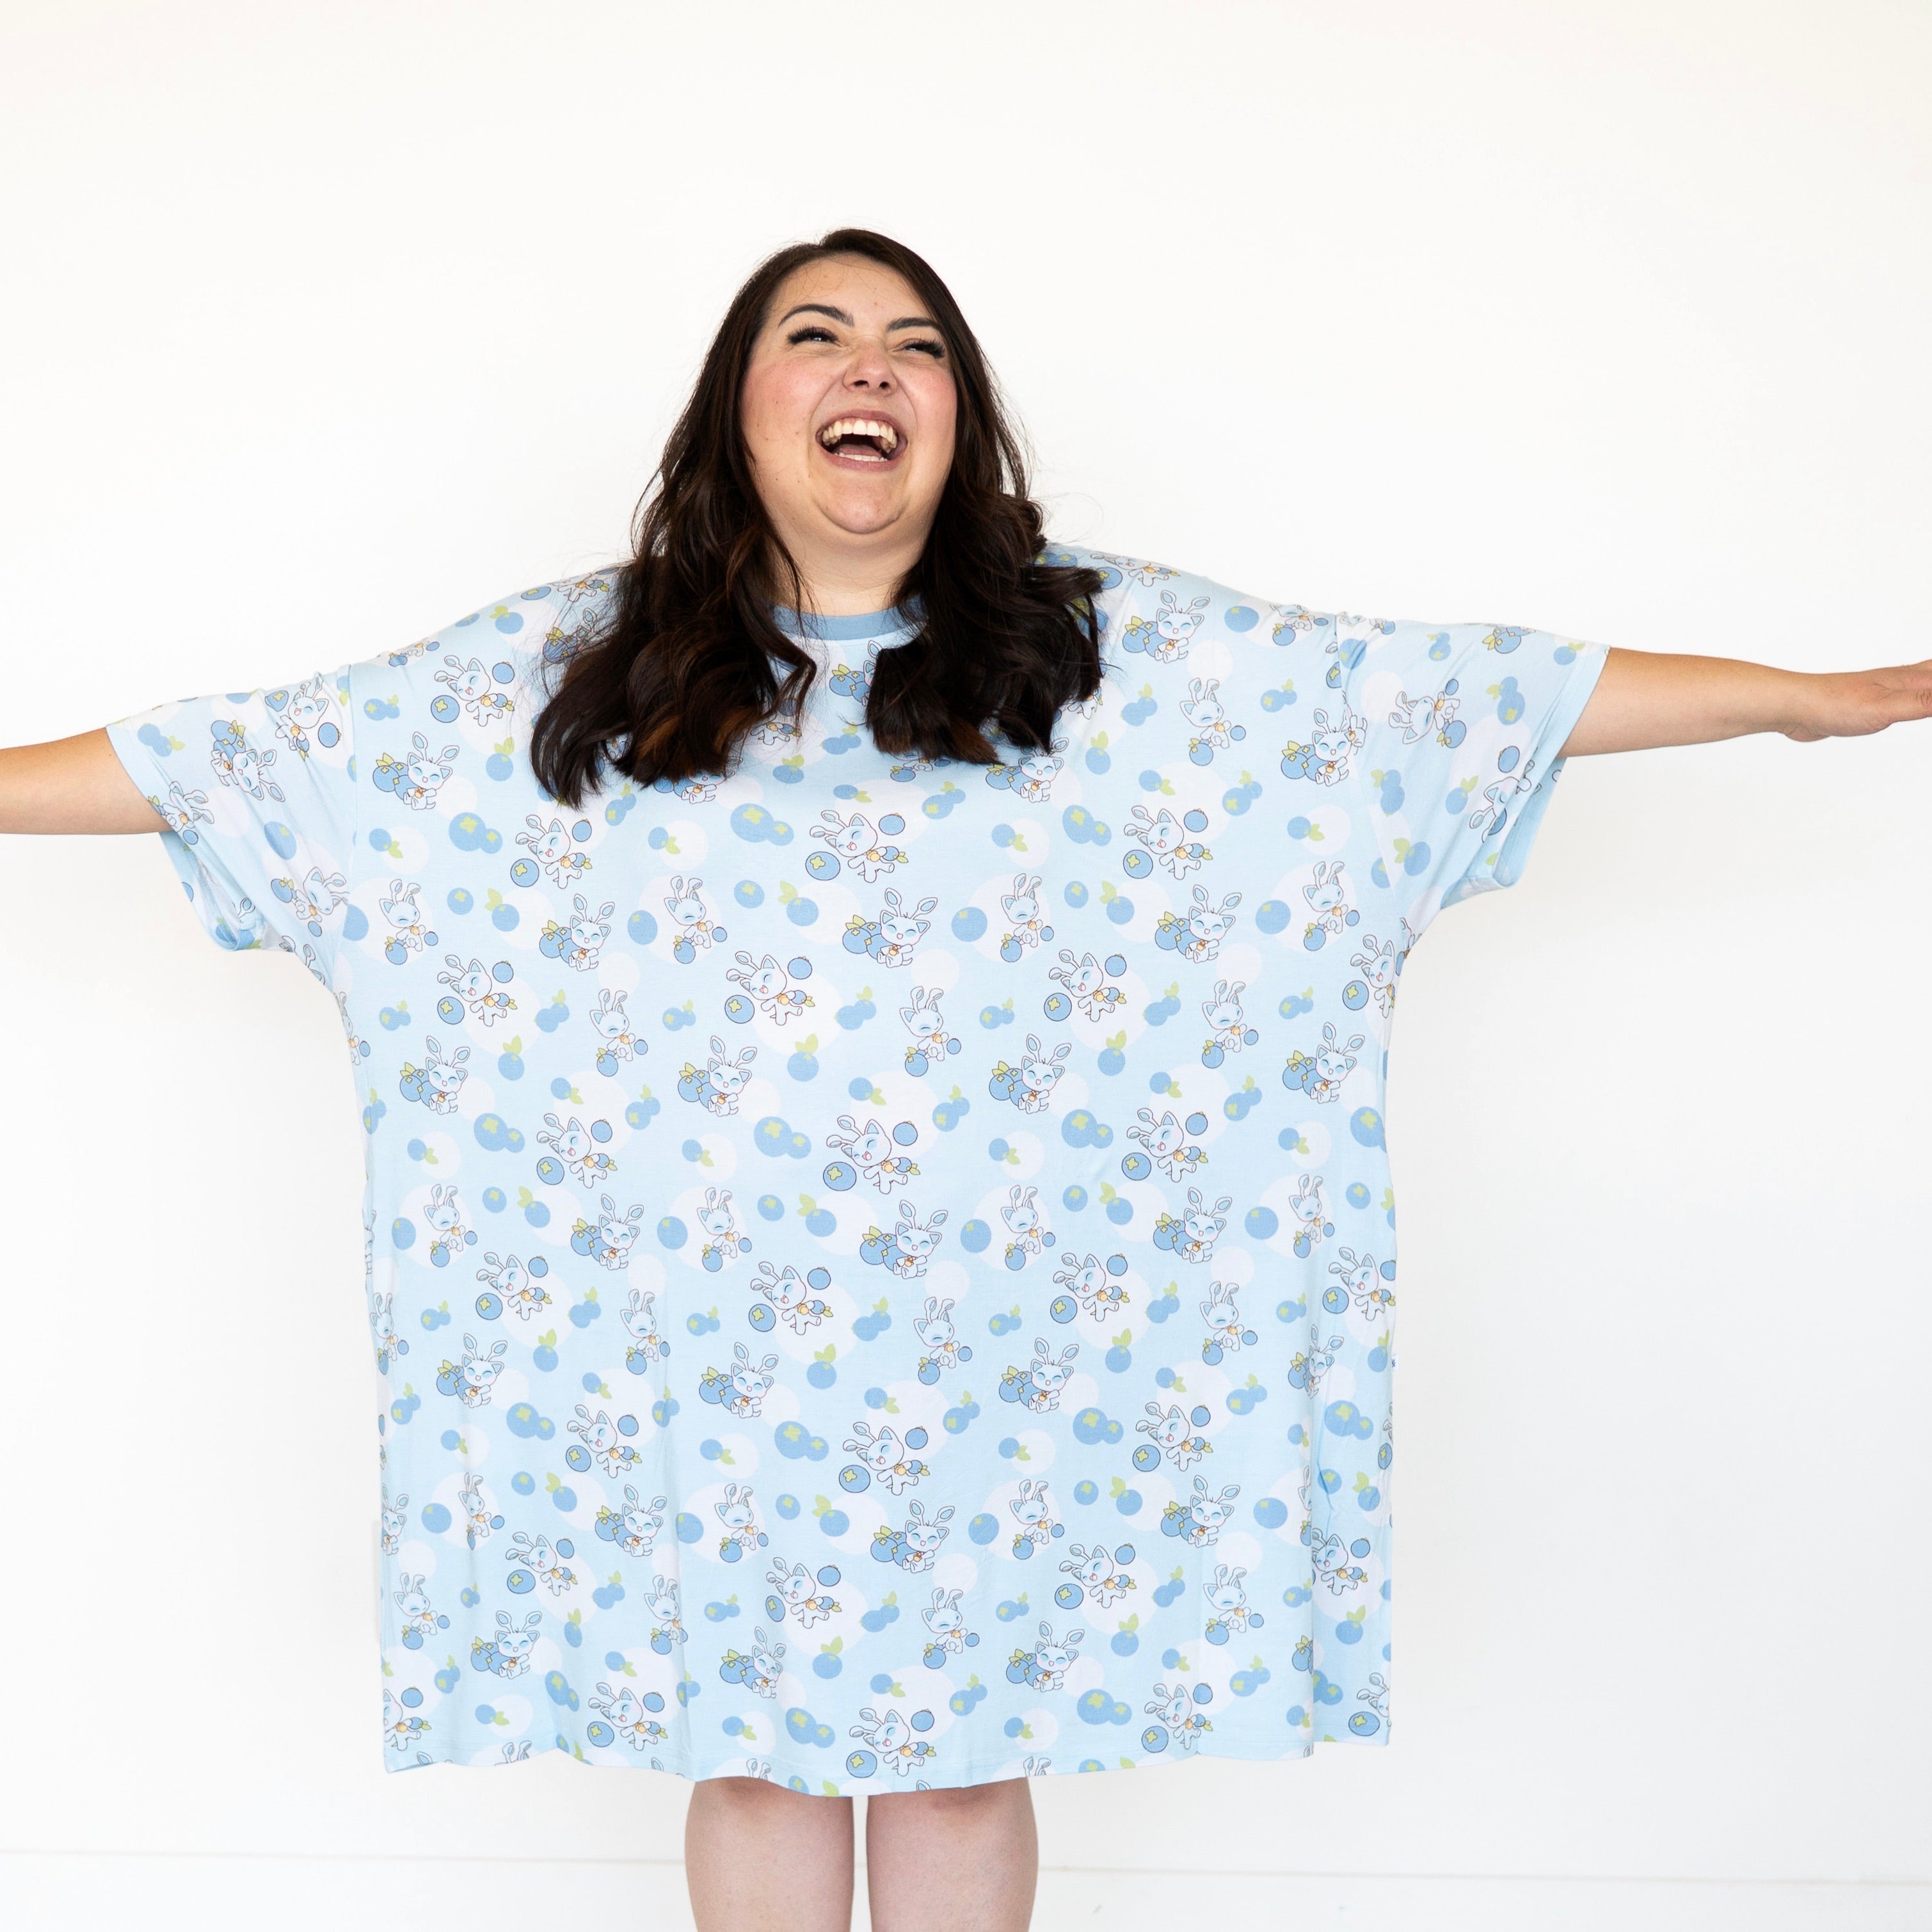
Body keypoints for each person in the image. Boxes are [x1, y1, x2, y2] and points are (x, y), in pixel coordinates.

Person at [4, 227, 1927, 1932]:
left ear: (958, 419)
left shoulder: (1113, 657)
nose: (868, 366)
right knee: (752, 1742)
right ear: (731, 415)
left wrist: (1801, 697)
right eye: (815, 333)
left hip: (1004, 1362)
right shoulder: (568, 676)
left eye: (915, 344)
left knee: (957, 1744)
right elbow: (245, 763)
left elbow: (1448, 697)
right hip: (708, 1353)